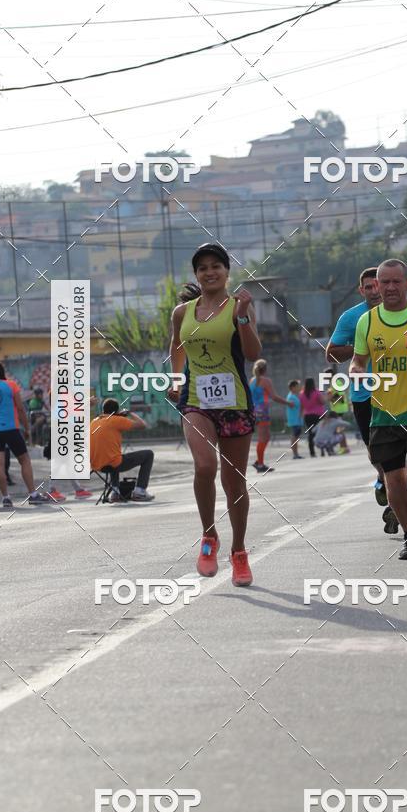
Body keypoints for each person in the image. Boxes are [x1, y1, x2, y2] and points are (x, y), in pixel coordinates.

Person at [169, 241, 262, 587]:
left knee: (233, 480)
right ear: (197, 274)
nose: (209, 272)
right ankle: (209, 537)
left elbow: (253, 353)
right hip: (196, 401)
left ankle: (238, 551)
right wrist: (176, 381)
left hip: (235, 402)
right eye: (202, 268)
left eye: (216, 266)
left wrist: (241, 318)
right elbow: (177, 348)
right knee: (205, 466)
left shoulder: (240, 306)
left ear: (227, 271)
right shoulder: (182, 313)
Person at [350, 259, 407, 560]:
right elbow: (359, 360)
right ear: (376, 286)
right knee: (393, 480)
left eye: (395, 282)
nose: (389, 288)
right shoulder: (367, 322)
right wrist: (355, 370)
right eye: (383, 282)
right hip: (383, 414)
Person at [326, 266, 398, 534]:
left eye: (376, 285)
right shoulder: (351, 318)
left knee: (401, 455)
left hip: (397, 392)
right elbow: (331, 354)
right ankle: (383, 479)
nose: (373, 291)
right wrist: (361, 346)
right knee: (376, 453)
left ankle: (396, 505)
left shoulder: (402, 314)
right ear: (362, 290)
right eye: (367, 287)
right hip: (364, 394)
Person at [0, 359, 47, 507]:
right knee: (24, 460)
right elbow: (21, 409)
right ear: (1, 371)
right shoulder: (11, 385)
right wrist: (27, 428)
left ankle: (6, 498)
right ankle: (33, 494)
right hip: (11, 429)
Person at [89, 399, 154, 501]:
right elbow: (142, 424)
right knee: (148, 454)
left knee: (112, 455)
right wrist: (129, 413)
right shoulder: (116, 420)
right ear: (117, 411)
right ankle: (140, 491)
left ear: (103, 410)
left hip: (97, 465)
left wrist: (118, 416)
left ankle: (115, 492)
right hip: (113, 464)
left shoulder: (94, 421)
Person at [249, 359, 288, 473]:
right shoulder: (266, 381)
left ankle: (259, 461)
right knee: (264, 437)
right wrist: (288, 403)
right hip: (262, 411)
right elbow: (274, 396)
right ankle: (260, 464)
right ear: (265, 369)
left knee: (265, 437)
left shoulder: (252, 380)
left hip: (255, 410)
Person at [299, 378, 326, 458]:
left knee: (311, 434)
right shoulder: (316, 392)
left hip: (307, 416)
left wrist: (300, 415)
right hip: (318, 415)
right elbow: (322, 402)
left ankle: (312, 452)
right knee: (320, 432)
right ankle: (322, 450)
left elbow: (302, 406)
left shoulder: (301, 394)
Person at [285, 379, 304, 459]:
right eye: (297, 386)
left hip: (297, 420)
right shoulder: (291, 397)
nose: (298, 388)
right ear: (293, 387)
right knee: (294, 436)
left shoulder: (294, 396)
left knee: (296, 436)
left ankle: (296, 453)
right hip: (294, 420)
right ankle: (295, 454)